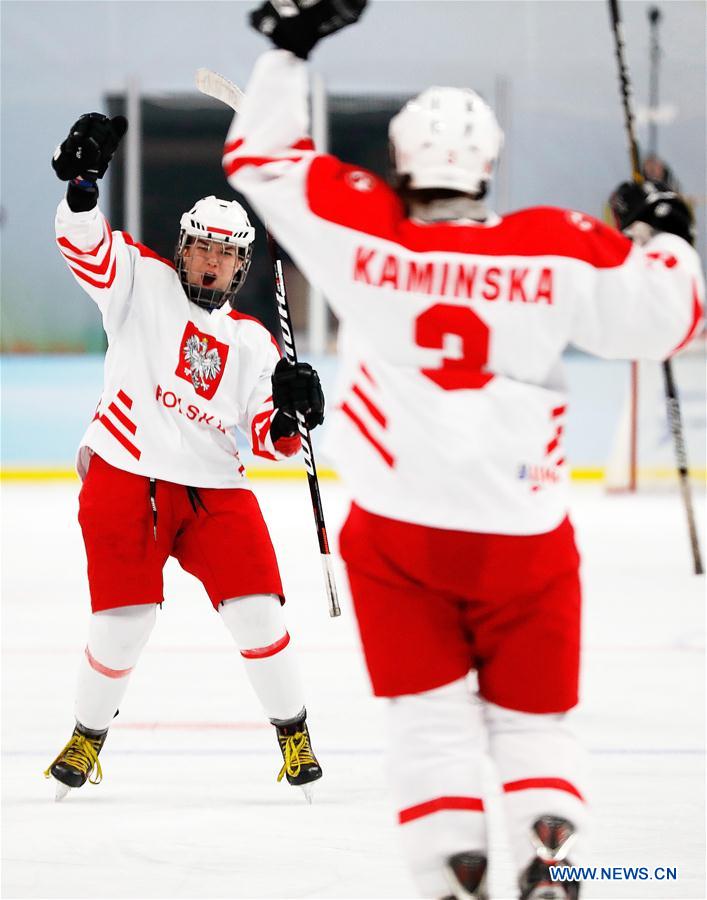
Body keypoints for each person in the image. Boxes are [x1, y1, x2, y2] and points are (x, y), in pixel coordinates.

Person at [223, 2, 704, 897]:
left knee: (426, 715)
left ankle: (454, 863)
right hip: (522, 531)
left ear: (402, 159)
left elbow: (261, 160)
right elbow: (670, 318)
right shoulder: (555, 249)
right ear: (489, 164)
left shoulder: (364, 237)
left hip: (398, 535)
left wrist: (289, 52)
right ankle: (548, 839)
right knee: (532, 717)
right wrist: (664, 231)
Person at [45, 112, 326, 803]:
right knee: (123, 622)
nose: (210, 262)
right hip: (124, 472)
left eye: (227, 255)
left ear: (242, 265)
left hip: (213, 490)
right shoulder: (139, 279)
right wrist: (84, 187)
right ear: (183, 247)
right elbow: (86, 246)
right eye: (201, 248)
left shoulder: (256, 343)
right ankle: (88, 735)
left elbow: (270, 438)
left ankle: (293, 735)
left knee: (259, 610)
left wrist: (295, 408)